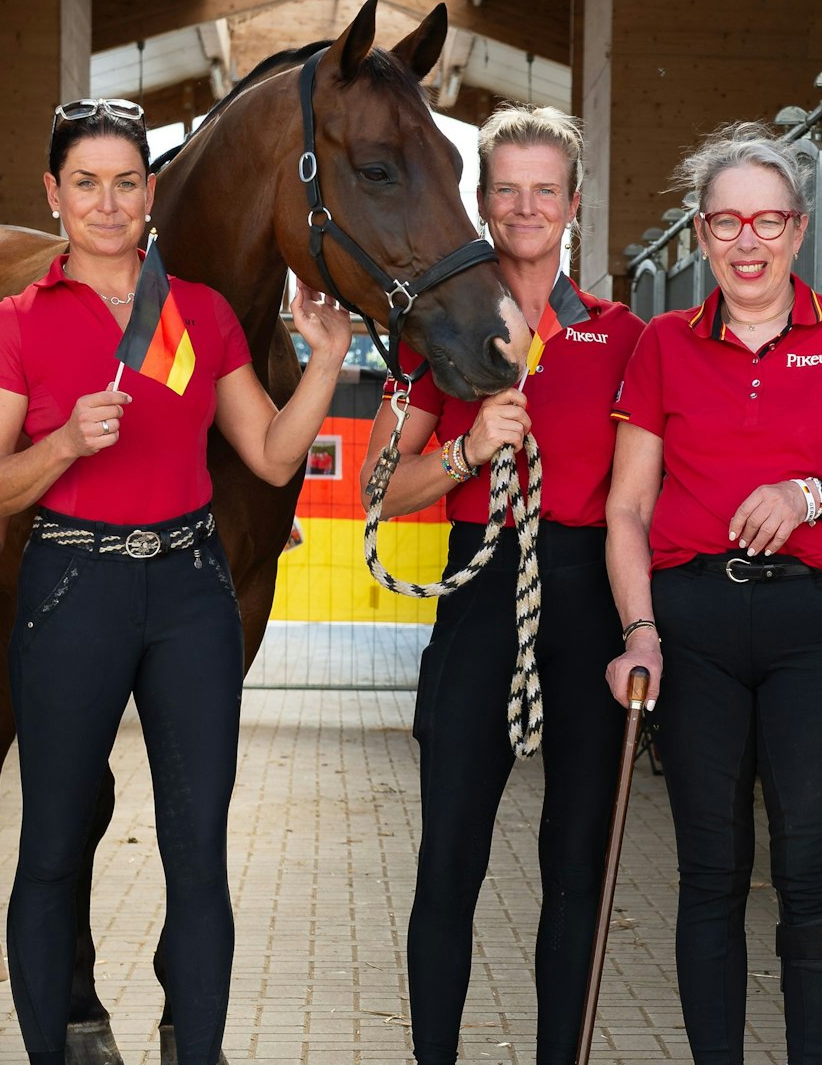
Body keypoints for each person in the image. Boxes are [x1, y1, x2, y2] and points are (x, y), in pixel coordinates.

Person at [0, 99, 350, 1065]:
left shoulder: (198, 313)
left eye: (126, 182)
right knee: (50, 846)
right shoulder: (14, 323)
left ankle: (198, 1050)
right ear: (54, 193)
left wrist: (330, 360)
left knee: (197, 851)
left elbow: (265, 452)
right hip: (68, 588)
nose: (106, 202)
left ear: (151, 195)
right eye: (85, 183)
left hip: (187, 595)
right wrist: (58, 443)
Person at [340, 104, 643, 1065]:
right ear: (481, 202)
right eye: (505, 189)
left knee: (576, 868)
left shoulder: (623, 336)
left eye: (542, 191)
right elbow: (379, 492)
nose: (523, 207)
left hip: (586, 592)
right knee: (449, 860)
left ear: (573, 205)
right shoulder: (444, 336)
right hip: (484, 589)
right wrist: (470, 447)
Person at [605, 122, 822, 1065]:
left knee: (813, 866)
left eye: (767, 221)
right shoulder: (662, 343)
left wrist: (811, 490)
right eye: (727, 222)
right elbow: (626, 509)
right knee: (710, 872)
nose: (748, 241)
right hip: (690, 625)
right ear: (700, 236)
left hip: (818, 626)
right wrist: (641, 633)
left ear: (799, 229)